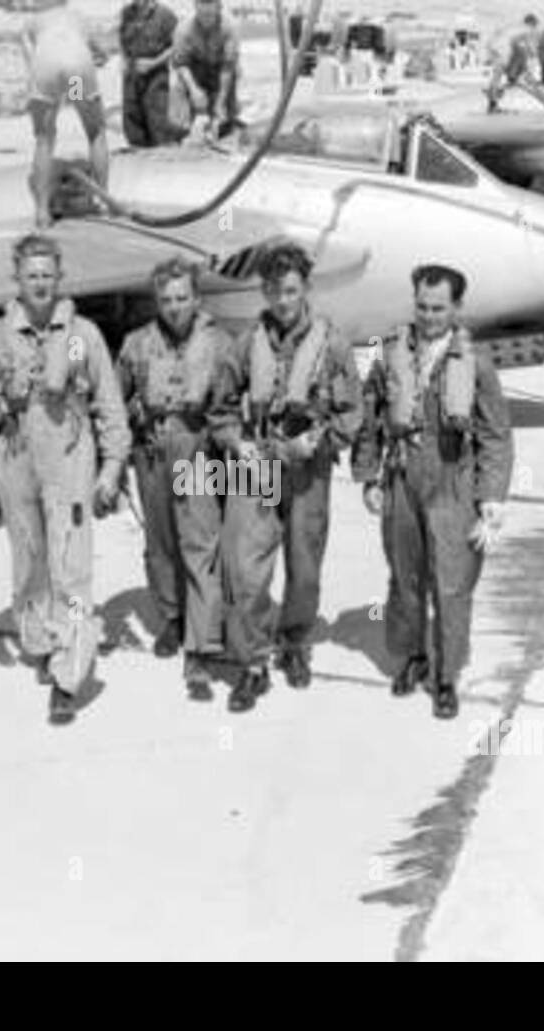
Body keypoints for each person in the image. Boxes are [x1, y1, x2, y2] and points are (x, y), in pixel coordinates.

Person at [0, 234, 131, 725]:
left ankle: (68, 676)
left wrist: (113, 468)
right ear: (18, 279)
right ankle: (40, 641)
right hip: (15, 460)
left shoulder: (83, 336)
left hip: (70, 460)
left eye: (47, 275)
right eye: (31, 275)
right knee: (29, 561)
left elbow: (110, 406)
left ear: (60, 279)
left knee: (71, 569)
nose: (39, 283)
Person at [209, 242, 363, 713]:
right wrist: (240, 446)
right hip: (257, 466)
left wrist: (319, 443)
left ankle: (294, 641)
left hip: (306, 471)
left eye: (291, 290)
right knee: (244, 569)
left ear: (305, 289)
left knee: (305, 567)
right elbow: (219, 410)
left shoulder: (332, 344)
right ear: (264, 291)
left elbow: (352, 413)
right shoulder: (244, 342)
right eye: (274, 291)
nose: (282, 301)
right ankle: (253, 662)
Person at [353, 265, 513, 720]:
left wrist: (492, 500)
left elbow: (495, 434)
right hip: (402, 478)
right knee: (405, 580)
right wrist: (368, 477)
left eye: (438, 308)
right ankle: (411, 658)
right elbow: (371, 418)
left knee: (451, 584)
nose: (428, 316)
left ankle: (445, 677)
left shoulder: (475, 361)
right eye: (421, 306)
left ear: (456, 308)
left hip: (453, 483)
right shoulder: (390, 355)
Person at [115, 257, 232, 700]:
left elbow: (232, 403)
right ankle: (172, 616)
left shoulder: (220, 344)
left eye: (182, 298)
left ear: (197, 298)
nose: (175, 306)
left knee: (199, 546)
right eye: (166, 299)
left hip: (196, 451)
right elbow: (114, 397)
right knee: (160, 545)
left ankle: (200, 649)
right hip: (151, 452)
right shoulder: (136, 344)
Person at [15, 0, 109, 227]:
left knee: (44, 139)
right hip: (76, 72)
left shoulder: (31, 23)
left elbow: (31, 60)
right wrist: (98, 60)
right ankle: (103, 201)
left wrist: (44, 96)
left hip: (45, 69)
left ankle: (42, 212)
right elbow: (98, 52)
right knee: (95, 131)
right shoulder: (77, 18)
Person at [171, 0, 242, 141]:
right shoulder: (183, 28)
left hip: (220, 71)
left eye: (210, 15)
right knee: (178, 92)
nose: (206, 20)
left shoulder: (230, 27)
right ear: (196, 8)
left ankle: (224, 120)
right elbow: (180, 64)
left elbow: (227, 68)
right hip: (194, 71)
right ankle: (182, 128)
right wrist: (194, 90)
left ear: (219, 8)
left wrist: (220, 102)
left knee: (224, 123)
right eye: (202, 15)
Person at [119, 0, 183, 147]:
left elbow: (178, 45)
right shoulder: (127, 13)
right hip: (132, 73)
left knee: (157, 123)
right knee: (132, 124)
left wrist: (153, 63)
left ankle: (170, 146)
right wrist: (124, 61)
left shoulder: (165, 15)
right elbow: (122, 41)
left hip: (156, 73)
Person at [486, 13, 539, 112]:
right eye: (535, 25)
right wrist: (532, 55)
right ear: (531, 23)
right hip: (502, 48)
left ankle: (492, 102)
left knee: (497, 75)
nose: (535, 28)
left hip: (493, 46)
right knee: (519, 55)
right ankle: (513, 77)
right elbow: (527, 47)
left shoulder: (517, 27)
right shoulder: (526, 29)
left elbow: (510, 40)